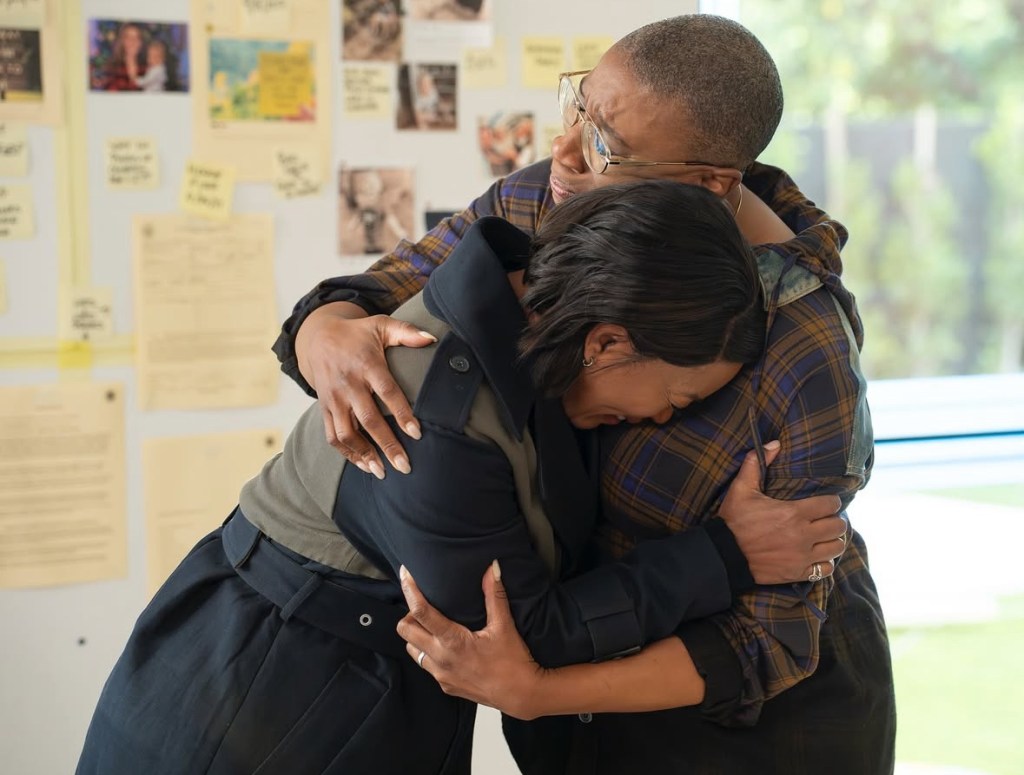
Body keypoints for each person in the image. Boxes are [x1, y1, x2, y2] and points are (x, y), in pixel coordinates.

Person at [275, 13, 895, 774]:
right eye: (578, 106)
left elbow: (770, 640)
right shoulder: (554, 196)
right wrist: (324, 335)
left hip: (745, 728)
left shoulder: (804, 348)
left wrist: (542, 691)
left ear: (709, 184)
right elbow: (378, 292)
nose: (562, 151)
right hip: (567, 681)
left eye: (607, 143)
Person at [76, 181, 843, 774]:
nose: (662, 418)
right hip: (267, 695)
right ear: (608, 343)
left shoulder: (528, 308)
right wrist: (727, 552)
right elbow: (519, 632)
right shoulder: (432, 418)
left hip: (345, 678)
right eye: (676, 396)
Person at [96, 22, 145, 92]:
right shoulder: (112, 69)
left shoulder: (148, 69)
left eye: (137, 37)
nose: (133, 41)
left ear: (141, 42)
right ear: (122, 41)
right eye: (128, 37)